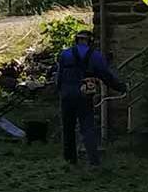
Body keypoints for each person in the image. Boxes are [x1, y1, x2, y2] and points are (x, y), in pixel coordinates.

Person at [54, 29, 126, 166]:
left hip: (67, 94)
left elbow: (59, 77)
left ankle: (70, 160)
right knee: (87, 127)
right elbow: (106, 76)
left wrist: (60, 91)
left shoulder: (65, 54)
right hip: (84, 95)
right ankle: (93, 161)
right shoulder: (95, 56)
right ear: (90, 41)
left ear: (76, 40)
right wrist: (120, 87)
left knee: (68, 127)